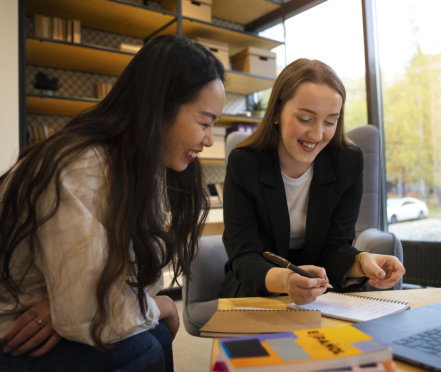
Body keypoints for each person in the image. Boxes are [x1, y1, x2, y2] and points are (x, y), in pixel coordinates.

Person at [0, 34, 225, 371]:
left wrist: (75, 302)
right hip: (18, 331)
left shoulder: (143, 167)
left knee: (156, 336)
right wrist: (160, 306)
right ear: (159, 106)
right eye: (204, 123)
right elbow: (89, 313)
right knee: (144, 346)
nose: (209, 140)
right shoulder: (79, 165)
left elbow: (140, 281)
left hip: (60, 317)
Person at [220, 58, 405, 305]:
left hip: (321, 284)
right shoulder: (245, 163)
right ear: (276, 113)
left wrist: (362, 262)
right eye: (306, 119)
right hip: (260, 282)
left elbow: (336, 247)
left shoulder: (347, 163)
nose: (317, 134)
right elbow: (243, 255)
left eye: (330, 121)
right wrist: (285, 280)